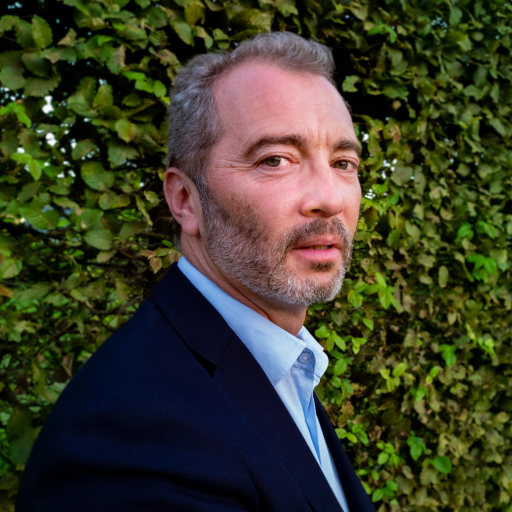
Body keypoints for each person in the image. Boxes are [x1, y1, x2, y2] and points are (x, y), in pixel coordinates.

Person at [17, 32, 375, 512]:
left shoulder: (280, 364)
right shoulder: (133, 435)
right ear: (185, 199)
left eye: (343, 162)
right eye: (275, 160)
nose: (329, 198)